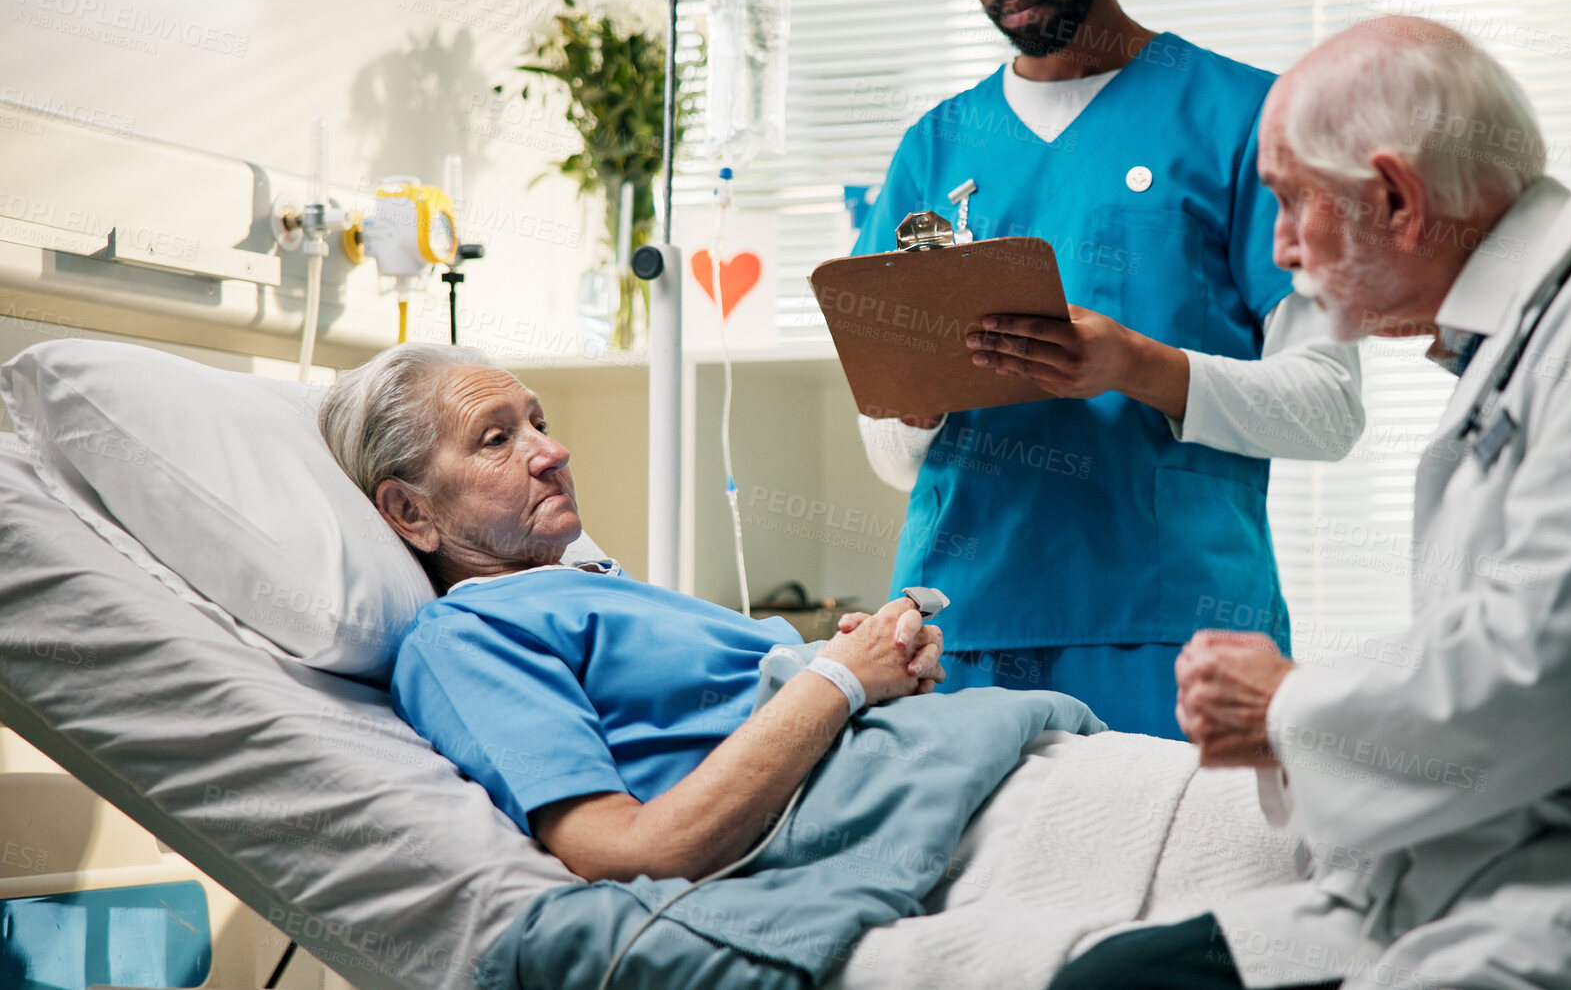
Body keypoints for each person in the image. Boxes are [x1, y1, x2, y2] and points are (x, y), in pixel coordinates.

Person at [1055, 16, 1571, 990]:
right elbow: (1505, 640)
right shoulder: (1526, 338)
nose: (1281, 248)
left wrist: (1288, 705)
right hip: (1520, 867)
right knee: (1115, 978)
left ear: (1398, 199)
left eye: (1292, 203)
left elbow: (1555, 670)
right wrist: (1287, 703)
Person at [319, 344, 1105, 988]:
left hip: (995, 772)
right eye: (497, 439)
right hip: (969, 819)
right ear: (409, 512)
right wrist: (836, 682)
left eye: (538, 422)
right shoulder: (466, 634)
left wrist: (870, 668)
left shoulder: (589, 588)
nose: (551, 452)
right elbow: (628, 851)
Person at [853, 0, 1365, 739]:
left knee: (1201, 858)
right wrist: (917, 404)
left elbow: (1328, 409)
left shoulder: (1248, 119)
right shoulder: (934, 147)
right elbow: (893, 456)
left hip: (1176, 626)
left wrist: (1136, 366)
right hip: (958, 629)